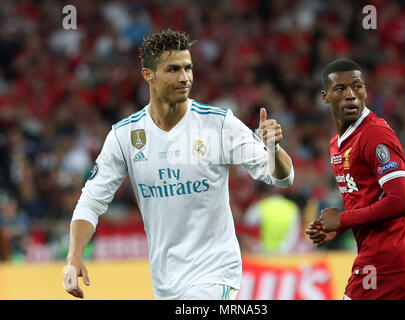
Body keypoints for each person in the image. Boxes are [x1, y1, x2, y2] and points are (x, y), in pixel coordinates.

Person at [62, 29, 294, 300]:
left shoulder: (218, 124)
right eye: (173, 69)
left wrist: (274, 149)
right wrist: (74, 256)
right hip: (165, 280)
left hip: (214, 273)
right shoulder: (125, 136)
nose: (184, 78)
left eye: (188, 68)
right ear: (148, 74)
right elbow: (90, 202)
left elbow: (283, 178)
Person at [305, 58, 405, 300]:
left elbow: (402, 202)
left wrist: (343, 219)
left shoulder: (374, 135)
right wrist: (341, 226)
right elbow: (368, 201)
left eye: (357, 86)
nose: (351, 95)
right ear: (325, 97)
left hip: (387, 264)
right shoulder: (338, 143)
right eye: (340, 89)